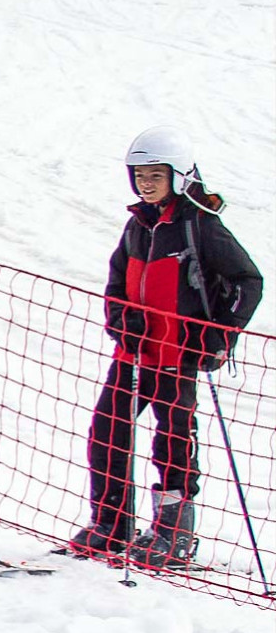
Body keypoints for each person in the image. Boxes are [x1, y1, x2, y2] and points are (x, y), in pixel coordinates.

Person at [68, 126, 261, 567]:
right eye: (139, 175)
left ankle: (173, 533)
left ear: (179, 175)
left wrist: (219, 335)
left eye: (156, 174)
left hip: (177, 356)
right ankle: (111, 524)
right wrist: (122, 323)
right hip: (135, 354)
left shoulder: (201, 227)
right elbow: (117, 283)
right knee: (108, 431)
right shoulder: (138, 225)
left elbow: (248, 282)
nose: (146, 183)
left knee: (171, 441)